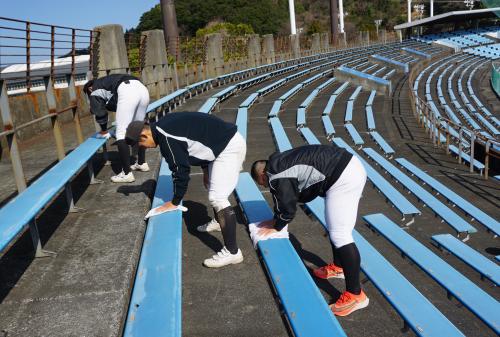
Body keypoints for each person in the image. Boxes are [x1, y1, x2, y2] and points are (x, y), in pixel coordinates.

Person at [250, 144, 368, 316]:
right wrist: (277, 219)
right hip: (347, 167)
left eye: (262, 184)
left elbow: (287, 204)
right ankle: (339, 267)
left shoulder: (274, 174)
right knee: (336, 228)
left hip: (342, 176)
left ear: (262, 175)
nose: (265, 186)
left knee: (340, 235)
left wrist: (277, 226)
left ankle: (356, 295)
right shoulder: (280, 162)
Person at [125, 112, 247, 268]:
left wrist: (174, 201)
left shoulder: (166, 137)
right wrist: (205, 169)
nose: (144, 148)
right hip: (222, 142)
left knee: (218, 197)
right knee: (212, 187)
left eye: (141, 145)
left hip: (228, 147)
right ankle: (218, 222)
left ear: (144, 134)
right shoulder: (163, 125)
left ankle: (233, 252)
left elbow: (180, 171)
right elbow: (201, 135)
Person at [83, 74, 150, 183]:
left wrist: (104, 130)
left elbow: (99, 111)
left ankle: (126, 174)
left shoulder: (94, 89)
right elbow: (115, 104)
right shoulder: (106, 82)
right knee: (138, 129)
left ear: (89, 88)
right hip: (142, 89)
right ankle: (142, 163)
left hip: (127, 90)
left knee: (121, 134)